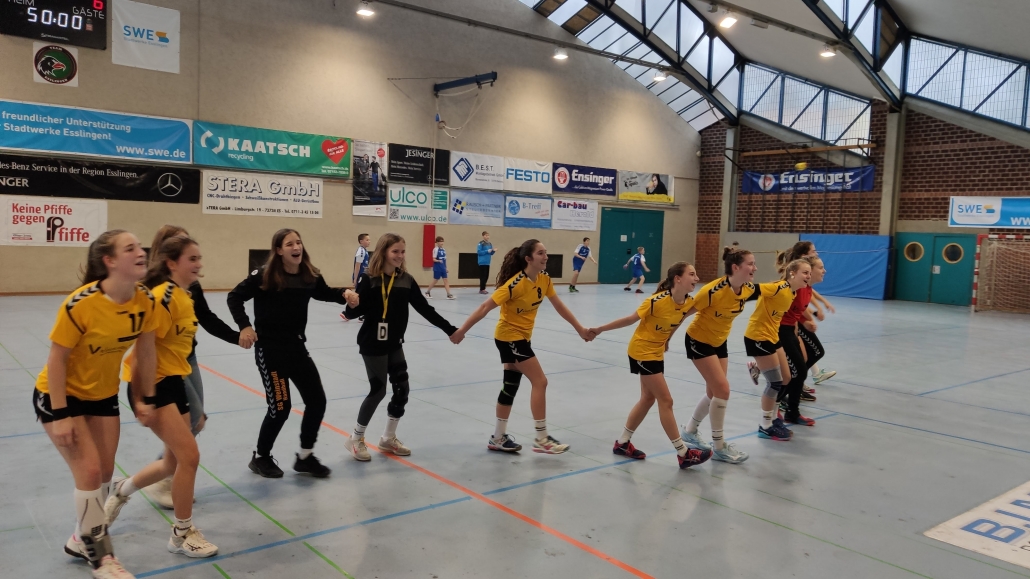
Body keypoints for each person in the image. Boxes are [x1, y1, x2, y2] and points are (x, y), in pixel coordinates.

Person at [38, 229, 157, 578]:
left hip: (103, 395)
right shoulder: (81, 303)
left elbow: (146, 354)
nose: (140, 251)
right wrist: (61, 414)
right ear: (110, 261)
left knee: (104, 473)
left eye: (140, 246)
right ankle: (102, 558)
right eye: (130, 248)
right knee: (89, 473)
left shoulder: (145, 300)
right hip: (61, 395)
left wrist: (145, 397)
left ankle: (81, 537)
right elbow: (56, 360)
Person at [104, 236, 218, 558]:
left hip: (173, 381)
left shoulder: (184, 296)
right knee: (190, 456)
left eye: (199, 258)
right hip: (153, 384)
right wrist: (144, 398)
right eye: (191, 258)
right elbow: (143, 352)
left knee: (172, 461)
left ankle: (122, 489)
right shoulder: (163, 298)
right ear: (171, 263)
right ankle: (182, 534)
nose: (198, 264)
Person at [227, 229, 358, 478]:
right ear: (279, 250)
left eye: (298, 242)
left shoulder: (309, 275)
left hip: (297, 349)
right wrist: (244, 326)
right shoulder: (264, 275)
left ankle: (305, 457)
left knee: (317, 401)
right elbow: (234, 297)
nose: (296, 247)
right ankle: (261, 457)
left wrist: (344, 294)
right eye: (289, 244)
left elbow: (324, 292)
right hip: (270, 351)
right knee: (280, 407)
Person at [450, 239, 593, 454]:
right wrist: (462, 330)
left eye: (546, 252)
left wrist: (580, 329)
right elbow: (484, 307)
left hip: (522, 338)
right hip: (509, 337)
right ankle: (542, 438)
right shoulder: (515, 284)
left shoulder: (544, 279)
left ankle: (498, 437)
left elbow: (559, 306)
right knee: (540, 381)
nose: (546, 257)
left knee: (510, 386)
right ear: (528, 259)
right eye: (540, 253)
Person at [140, 225, 245, 510]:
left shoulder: (190, 285)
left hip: (189, 357)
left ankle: (165, 472)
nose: (196, 263)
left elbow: (206, 317)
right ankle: (162, 477)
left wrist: (236, 337)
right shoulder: (157, 289)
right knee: (192, 420)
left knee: (195, 422)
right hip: (167, 364)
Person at [342, 233, 457, 460]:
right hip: (372, 343)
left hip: (394, 342)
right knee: (378, 391)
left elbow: (425, 309)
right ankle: (356, 438)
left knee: (402, 389)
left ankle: (387, 438)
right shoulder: (368, 278)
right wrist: (351, 303)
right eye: (395, 251)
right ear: (384, 252)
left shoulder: (406, 279)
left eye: (403, 251)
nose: (400, 256)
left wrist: (450, 330)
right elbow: (352, 312)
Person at [588, 262, 713, 469]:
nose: (697, 278)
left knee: (647, 398)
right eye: (692, 274)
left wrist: (668, 338)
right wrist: (599, 329)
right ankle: (683, 453)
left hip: (655, 352)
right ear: (678, 279)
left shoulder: (688, 302)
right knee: (666, 400)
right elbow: (630, 319)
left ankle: (622, 443)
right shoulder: (656, 301)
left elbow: (683, 316)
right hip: (641, 352)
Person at [679, 245, 755, 464]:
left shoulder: (748, 289)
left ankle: (690, 431)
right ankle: (719, 446)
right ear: (736, 267)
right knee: (723, 390)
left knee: (714, 392)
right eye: (750, 264)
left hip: (719, 341)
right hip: (699, 341)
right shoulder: (712, 291)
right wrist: (664, 339)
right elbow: (683, 313)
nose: (754, 268)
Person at [743, 259, 812, 441]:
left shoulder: (792, 292)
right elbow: (752, 290)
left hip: (772, 337)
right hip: (758, 336)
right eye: (805, 272)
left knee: (786, 378)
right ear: (792, 273)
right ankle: (765, 426)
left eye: (809, 273)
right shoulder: (779, 287)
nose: (808, 276)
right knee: (774, 382)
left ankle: (774, 418)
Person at [341, 233, 371, 322]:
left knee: (364, 296)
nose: (369, 241)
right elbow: (357, 266)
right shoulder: (361, 252)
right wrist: (355, 278)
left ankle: (362, 315)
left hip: (364, 277)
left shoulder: (365, 251)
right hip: (360, 277)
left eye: (369, 240)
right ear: (361, 241)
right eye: (367, 240)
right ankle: (347, 314)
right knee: (359, 296)